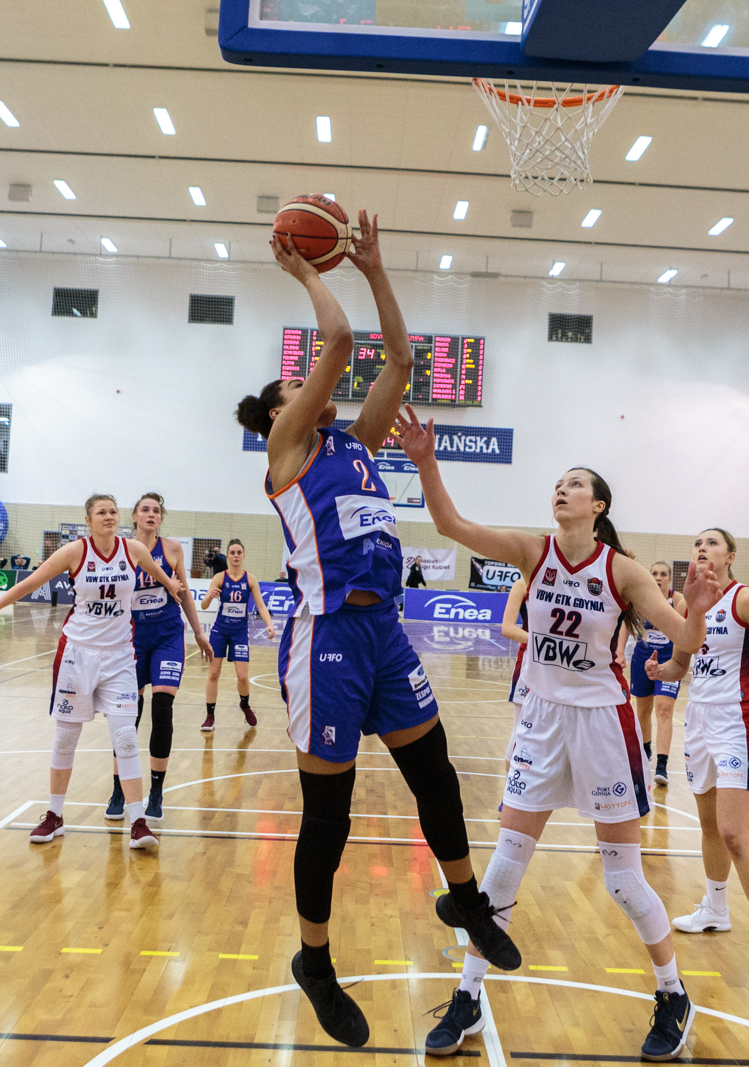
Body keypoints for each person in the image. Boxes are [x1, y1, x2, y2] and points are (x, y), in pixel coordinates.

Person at [234, 214, 518, 1049]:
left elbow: (398, 359)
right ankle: (315, 959)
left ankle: (465, 898)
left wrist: (378, 269)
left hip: (384, 632)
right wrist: (307, 273)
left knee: (437, 773)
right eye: (300, 385)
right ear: (283, 409)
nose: (315, 386)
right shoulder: (289, 446)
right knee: (331, 816)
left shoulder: (355, 443)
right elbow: (342, 340)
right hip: (323, 638)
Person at [396, 406, 722, 1061]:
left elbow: (683, 638)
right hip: (542, 720)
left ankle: (673, 994)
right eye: (558, 483)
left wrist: (697, 611)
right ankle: (467, 996)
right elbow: (451, 525)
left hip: (603, 725)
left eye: (575, 483)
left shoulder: (622, 571)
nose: (561, 489)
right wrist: (426, 462)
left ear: (597, 506)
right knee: (503, 869)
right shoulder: (532, 551)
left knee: (623, 880)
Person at [0, 493, 183, 848]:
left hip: (119, 657)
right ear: (88, 520)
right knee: (66, 738)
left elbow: (162, 576)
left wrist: (173, 586)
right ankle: (54, 816)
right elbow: (32, 582)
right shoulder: (75, 552)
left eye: (113, 511)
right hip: (77, 655)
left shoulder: (132, 550)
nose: (109, 516)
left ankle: (138, 822)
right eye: (101, 512)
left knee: (125, 738)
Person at [653, 528, 749, 989]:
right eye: (697, 544)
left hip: (739, 722)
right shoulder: (689, 604)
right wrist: (660, 670)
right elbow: (682, 664)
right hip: (699, 721)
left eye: (712, 544)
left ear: (730, 555)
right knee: (708, 827)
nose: (702, 549)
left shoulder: (747, 601)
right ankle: (715, 910)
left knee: (734, 833)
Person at [105, 493, 213, 824]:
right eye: (145, 510)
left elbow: (183, 595)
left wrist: (198, 632)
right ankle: (119, 790)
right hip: (132, 640)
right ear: (134, 517)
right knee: (128, 716)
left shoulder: (173, 549)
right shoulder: (121, 550)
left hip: (167, 636)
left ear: (160, 518)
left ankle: (156, 792)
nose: (151, 514)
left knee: (162, 709)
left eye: (156, 510)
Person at [198, 537, 275, 730]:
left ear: (243, 555)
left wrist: (269, 624)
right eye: (232, 552)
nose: (235, 556)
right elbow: (204, 605)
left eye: (239, 552)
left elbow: (261, 606)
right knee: (213, 674)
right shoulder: (219, 578)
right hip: (220, 630)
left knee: (242, 677)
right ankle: (210, 716)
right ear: (227, 556)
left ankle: (245, 705)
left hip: (239, 632)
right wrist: (210, 596)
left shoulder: (250, 579)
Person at [623, 561, 686, 787]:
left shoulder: (678, 601)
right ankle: (645, 750)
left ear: (670, 579)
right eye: (655, 573)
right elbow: (626, 625)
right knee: (643, 711)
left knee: (664, 709)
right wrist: (619, 652)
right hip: (642, 657)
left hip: (669, 658)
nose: (658, 577)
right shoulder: (641, 597)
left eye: (663, 574)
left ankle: (662, 765)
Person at [500, 575, 530, 706]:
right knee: (522, 714)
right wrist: (544, 642)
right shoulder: (522, 585)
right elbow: (508, 629)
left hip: (562, 660)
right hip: (530, 655)